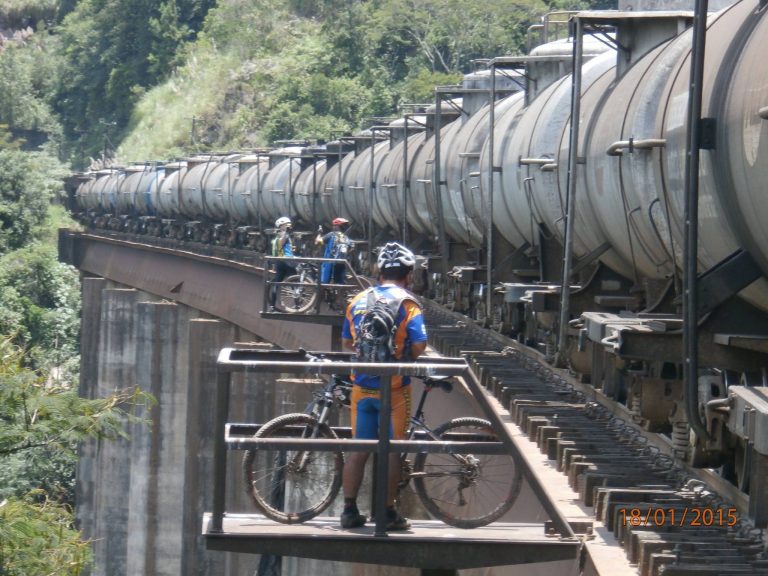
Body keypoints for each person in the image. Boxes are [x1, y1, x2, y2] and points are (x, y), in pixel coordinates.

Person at [339, 242, 427, 531]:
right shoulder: (408, 304)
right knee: (392, 451)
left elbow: (347, 342)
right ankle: (387, 513)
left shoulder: (358, 300)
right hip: (394, 390)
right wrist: (401, 358)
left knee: (359, 449)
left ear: (379, 273)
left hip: (361, 388)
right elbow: (419, 344)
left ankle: (349, 511)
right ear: (408, 275)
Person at [269, 216, 295, 311]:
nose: (289, 225)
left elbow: (276, 250)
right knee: (295, 281)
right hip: (287, 261)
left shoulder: (276, 237)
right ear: (281, 226)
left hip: (279, 261)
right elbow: (281, 243)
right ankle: (297, 305)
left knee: (276, 283)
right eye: (286, 224)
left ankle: (272, 306)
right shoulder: (284, 234)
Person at [315, 217, 351, 285]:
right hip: (342, 263)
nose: (333, 227)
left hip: (330, 263)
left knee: (324, 283)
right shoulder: (346, 237)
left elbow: (317, 242)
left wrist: (319, 233)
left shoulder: (331, 235)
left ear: (336, 227)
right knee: (339, 284)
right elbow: (350, 248)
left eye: (334, 225)